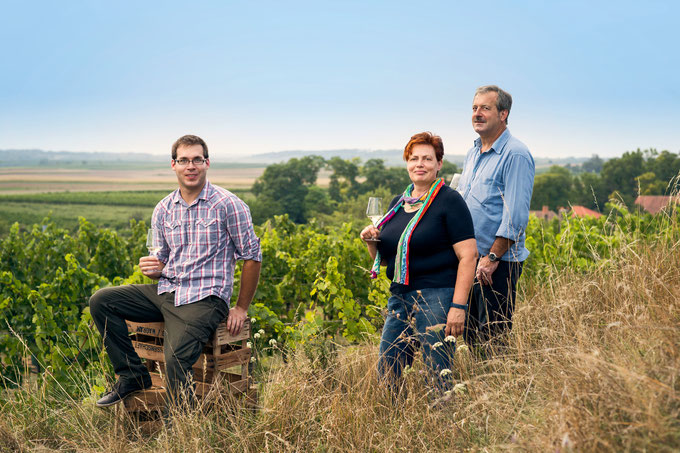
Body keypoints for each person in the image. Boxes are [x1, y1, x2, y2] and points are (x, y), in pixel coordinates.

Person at [89, 134, 262, 407]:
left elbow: (252, 256)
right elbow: (161, 258)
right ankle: (132, 375)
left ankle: (179, 429)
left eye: (196, 160)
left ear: (207, 163)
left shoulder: (229, 205)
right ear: (174, 165)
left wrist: (240, 308)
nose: (190, 166)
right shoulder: (164, 209)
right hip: (167, 290)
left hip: (205, 299)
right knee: (102, 301)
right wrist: (155, 268)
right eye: (184, 160)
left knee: (176, 358)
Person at [360, 132, 477, 389]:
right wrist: (372, 243)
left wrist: (458, 306)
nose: (419, 164)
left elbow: (469, 256)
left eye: (427, 158)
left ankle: (445, 426)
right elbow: (385, 260)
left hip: (436, 297)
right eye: (414, 158)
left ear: (439, 164)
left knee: (439, 375)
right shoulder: (398, 204)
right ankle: (395, 425)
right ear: (407, 163)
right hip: (400, 298)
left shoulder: (449, 201)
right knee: (388, 373)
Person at [457, 85, 535, 348]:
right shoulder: (472, 152)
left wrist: (492, 258)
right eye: (474, 108)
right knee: (471, 338)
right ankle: (478, 388)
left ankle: (498, 388)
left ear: (503, 114)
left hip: (496, 264)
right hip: (471, 260)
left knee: (493, 339)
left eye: (485, 108)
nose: (477, 114)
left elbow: (516, 217)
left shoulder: (515, 154)